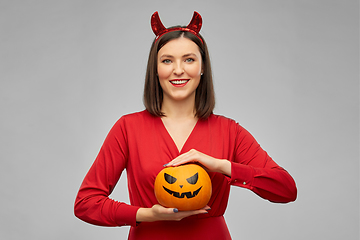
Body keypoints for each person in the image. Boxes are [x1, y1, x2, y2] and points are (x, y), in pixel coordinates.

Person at [74, 11, 297, 240]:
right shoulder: (127, 128)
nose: (178, 70)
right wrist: (147, 214)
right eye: (167, 60)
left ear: (202, 67)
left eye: (189, 59)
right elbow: (86, 203)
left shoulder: (229, 131)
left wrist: (221, 166)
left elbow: (286, 189)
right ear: (155, 69)